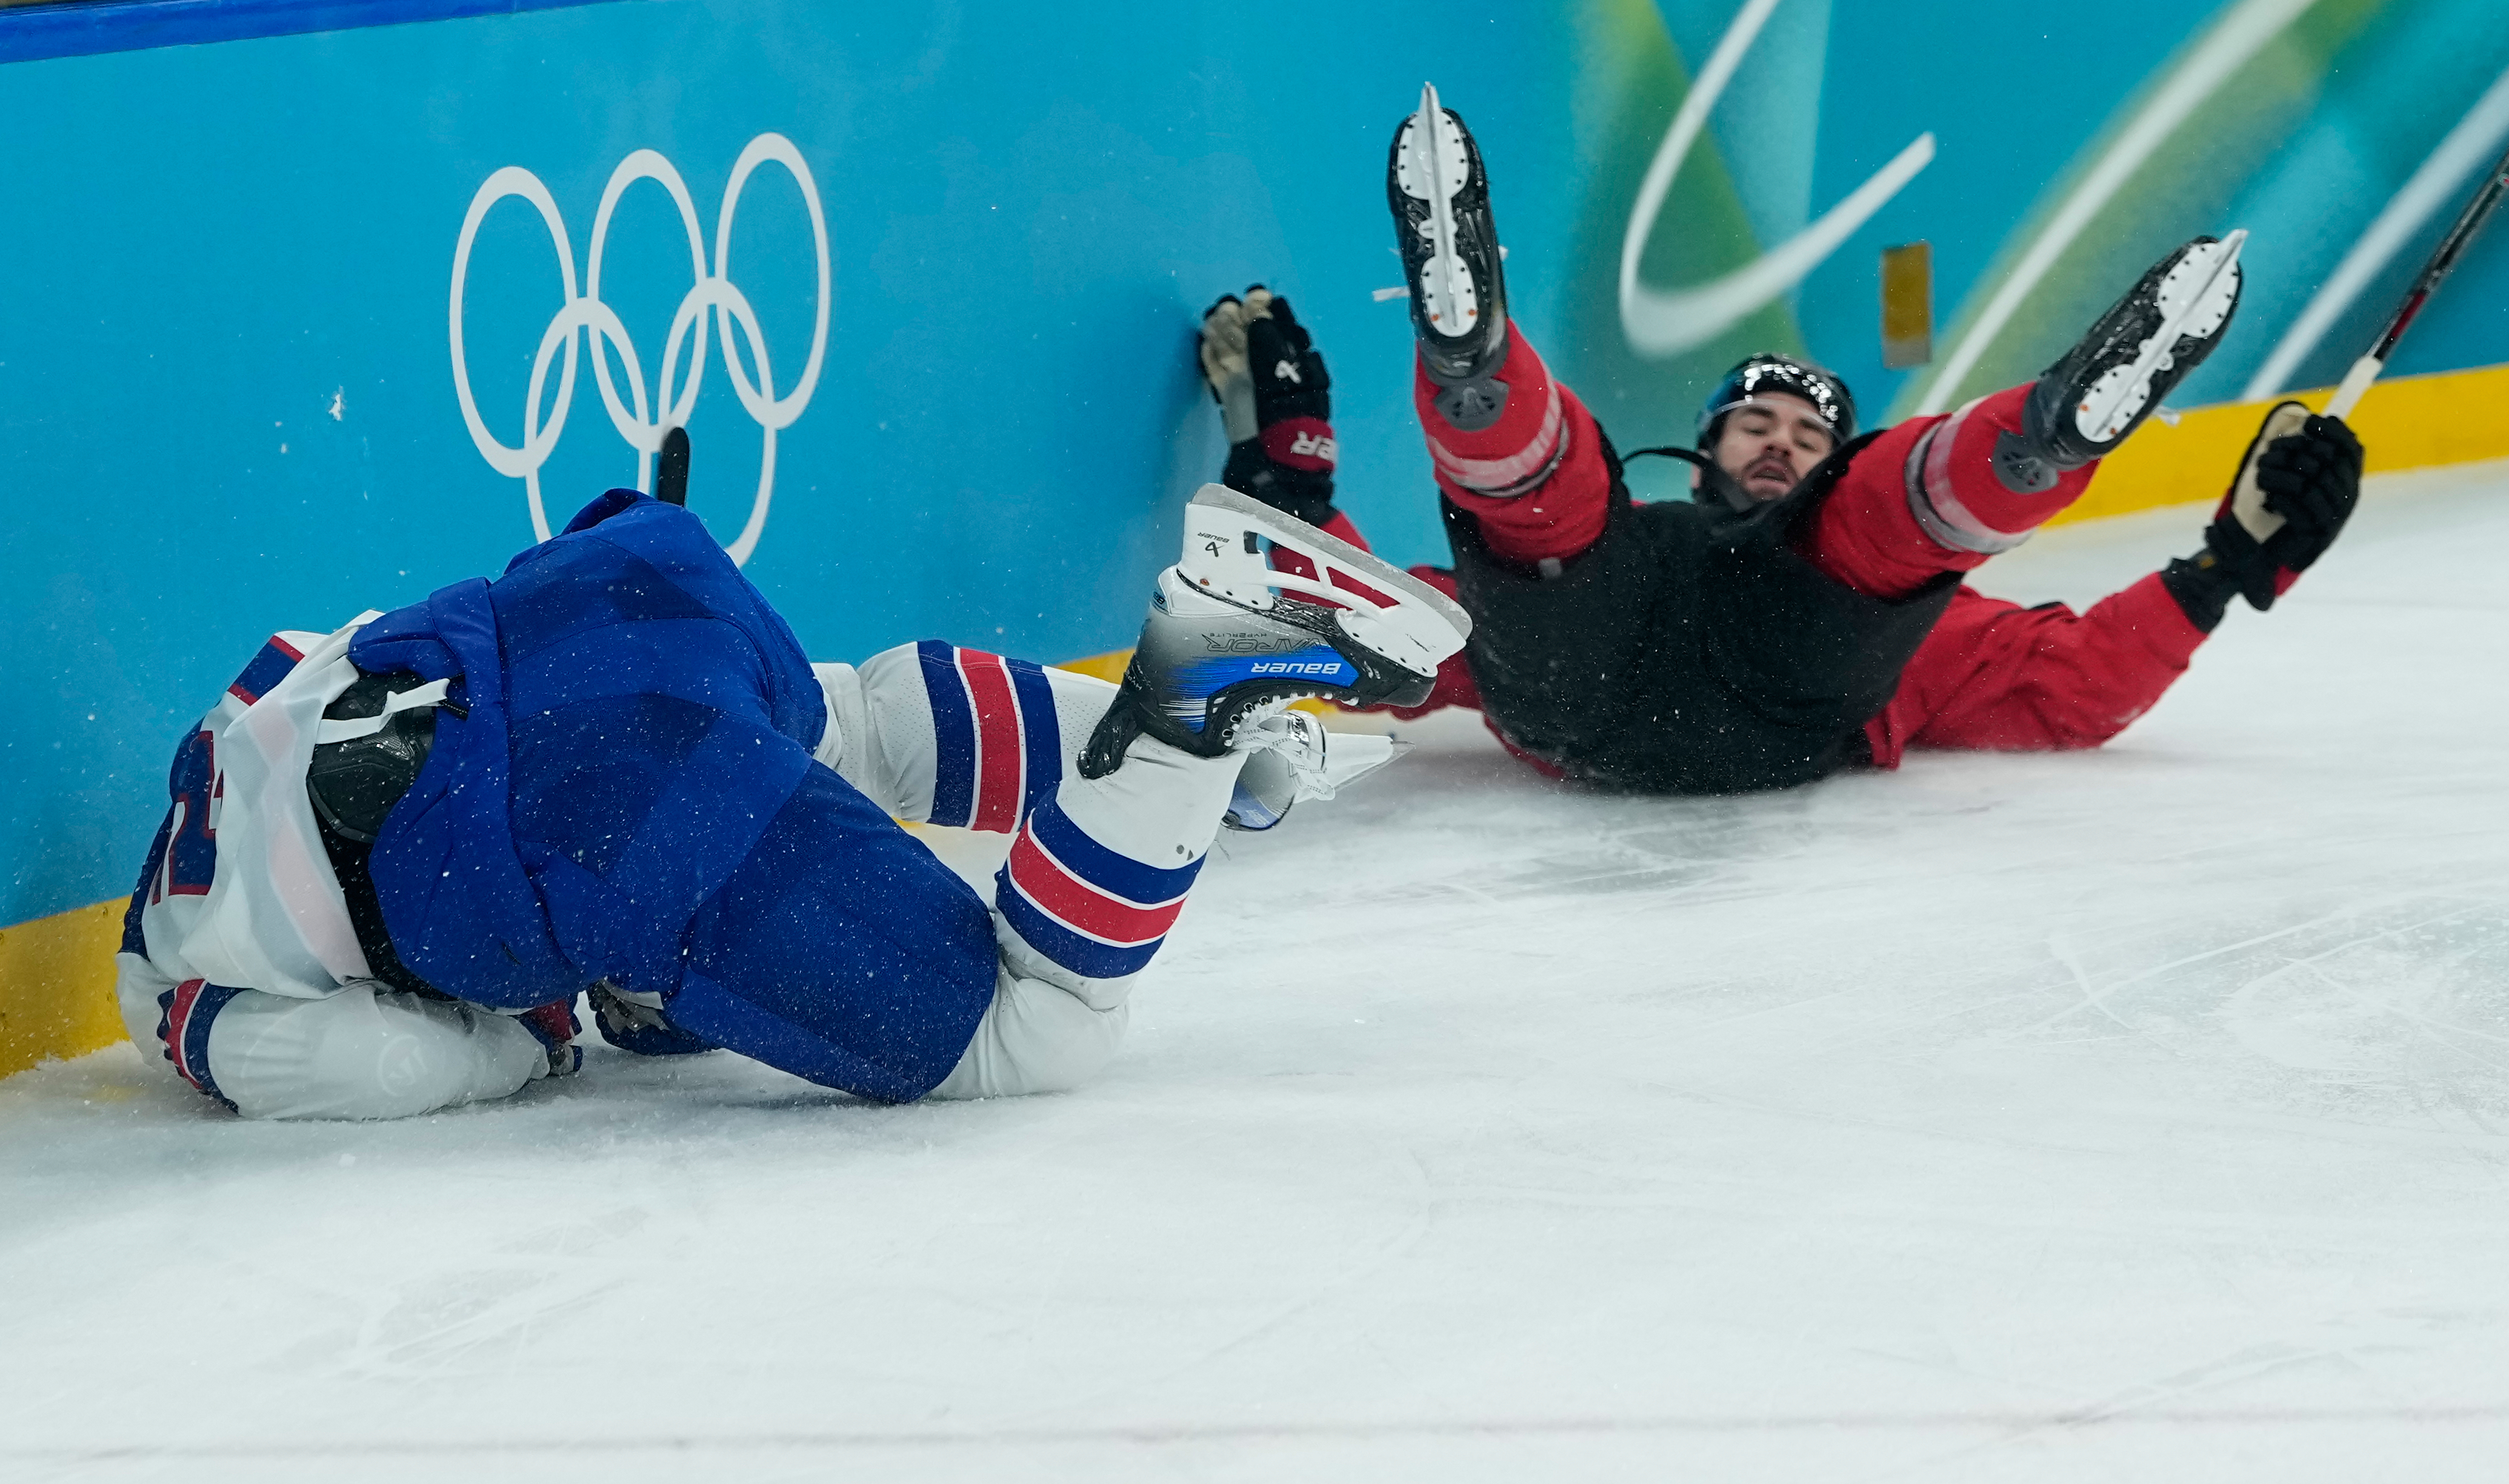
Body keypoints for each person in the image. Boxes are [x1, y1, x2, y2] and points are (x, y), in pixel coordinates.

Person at [116, 477, 1465, 1120]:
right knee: (849, 726)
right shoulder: (220, 750)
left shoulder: (174, 1002)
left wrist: (538, 1042)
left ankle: (1191, 712)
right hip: (604, 592)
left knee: (1024, 1037)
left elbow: (392, 1060)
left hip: (602, 820)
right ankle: (1218, 761)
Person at [1196, 92, 2365, 794]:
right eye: (1756, 419)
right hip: (1611, 674)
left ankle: (2042, 438)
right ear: (1705, 443)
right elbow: (1378, 628)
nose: (1779, 440)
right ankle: (1475, 371)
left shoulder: (1872, 579)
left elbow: (2064, 693)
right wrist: (1288, 467)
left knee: (1861, 550)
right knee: (1558, 530)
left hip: (1768, 688)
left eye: (1810, 434)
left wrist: (2224, 573)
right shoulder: (1647, 540)